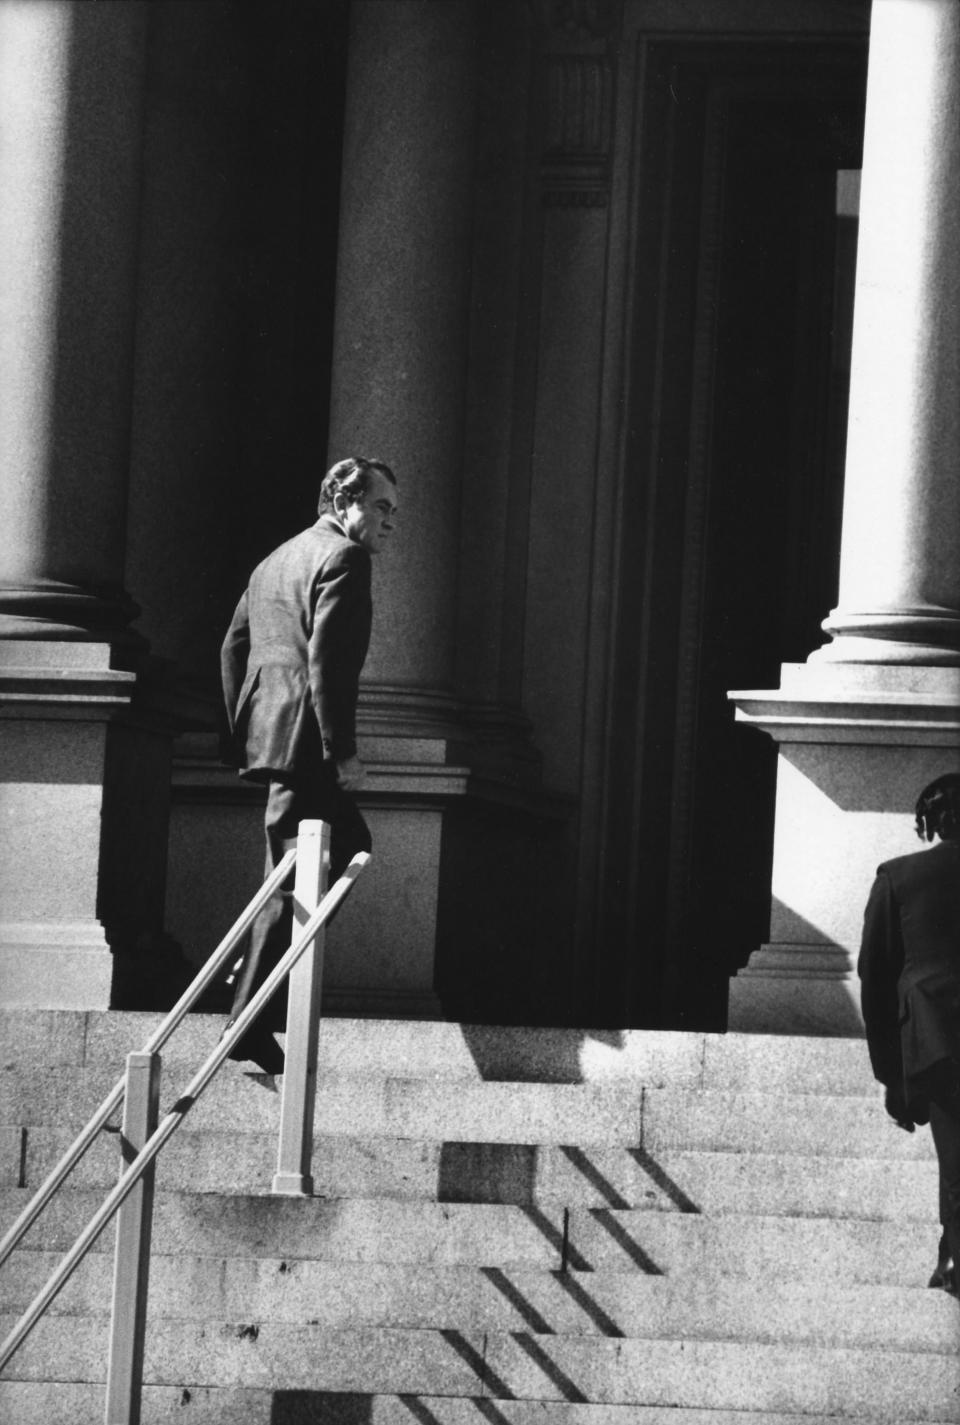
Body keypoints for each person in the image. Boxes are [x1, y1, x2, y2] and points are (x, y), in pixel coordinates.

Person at [220, 455, 398, 1072]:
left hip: (274, 735)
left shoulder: (275, 559)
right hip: (308, 740)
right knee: (331, 853)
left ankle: (253, 991)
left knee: (296, 865)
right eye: (381, 506)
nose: (388, 522)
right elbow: (328, 665)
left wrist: (245, 729)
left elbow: (233, 647)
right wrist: (341, 751)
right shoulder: (343, 558)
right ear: (343, 502)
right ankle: (252, 1005)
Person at [858, 771, 960, 1296]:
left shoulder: (898, 878)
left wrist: (892, 1075)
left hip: (938, 1039)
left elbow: (874, 981)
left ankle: (954, 1255)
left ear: (933, 823)